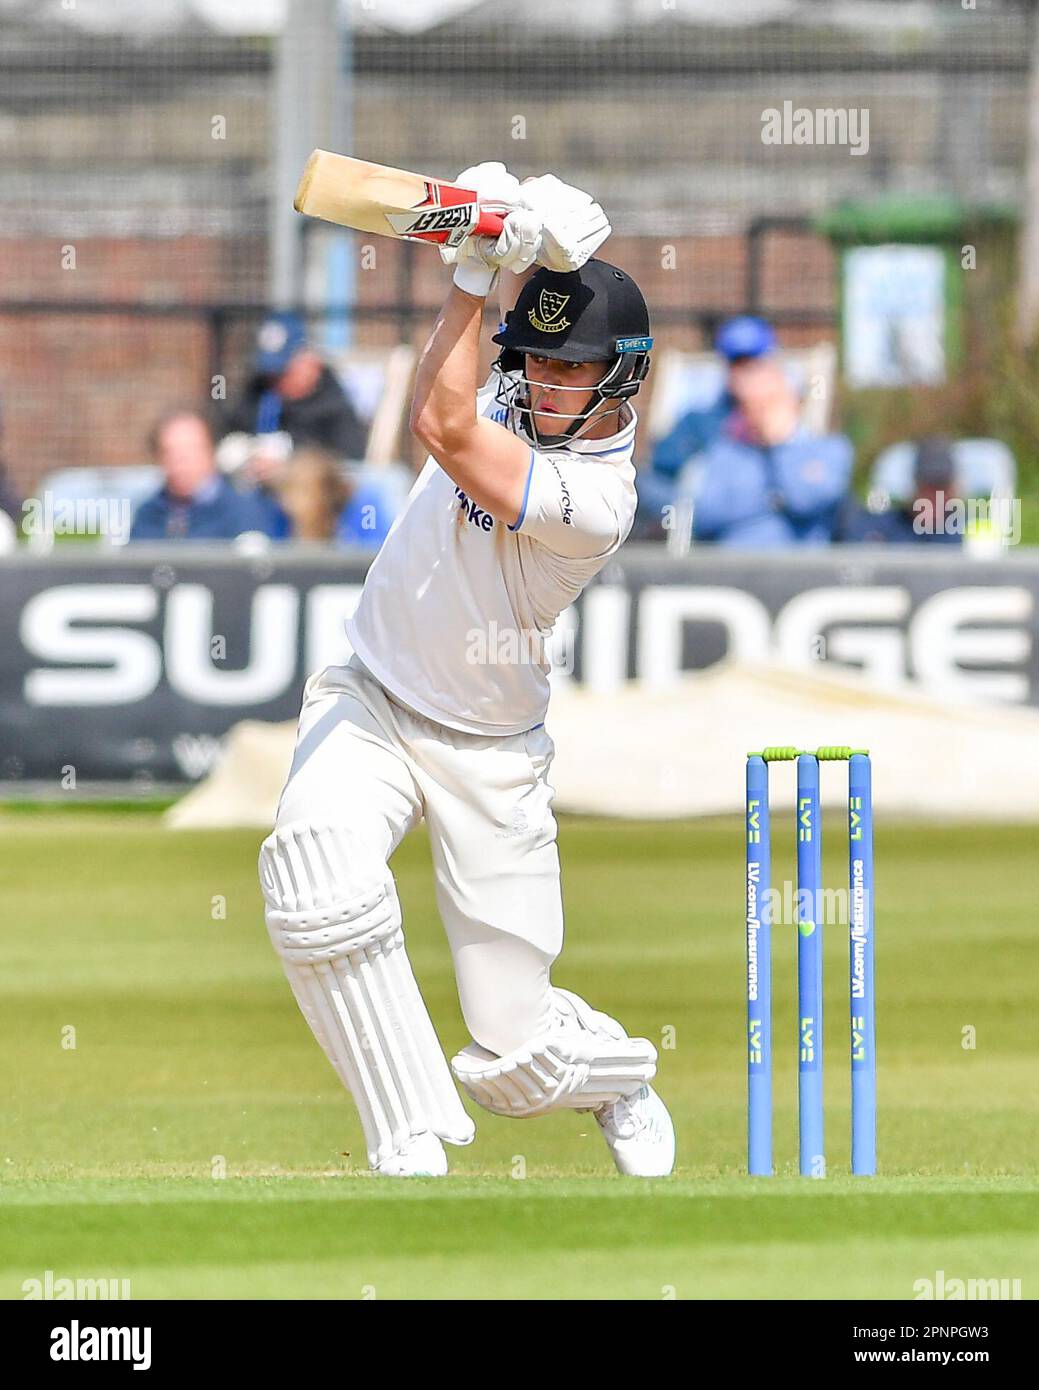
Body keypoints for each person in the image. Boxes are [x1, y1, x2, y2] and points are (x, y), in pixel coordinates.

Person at [258, 163, 675, 1179]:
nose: (541, 383)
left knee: (517, 1056)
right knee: (314, 873)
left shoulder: (596, 500)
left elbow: (442, 429)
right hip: (372, 694)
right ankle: (407, 1140)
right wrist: (496, 238)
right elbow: (459, 386)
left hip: (488, 750)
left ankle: (616, 1075)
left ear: (622, 377)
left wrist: (473, 271)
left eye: (570, 370)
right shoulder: (516, 387)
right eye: (532, 362)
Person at [679, 351, 853, 547]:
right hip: (730, 568)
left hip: (800, 571)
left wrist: (778, 446)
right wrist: (773, 500)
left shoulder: (829, 449)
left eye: (768, 401)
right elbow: (704, 515)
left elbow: (803, 501)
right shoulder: (725, 451)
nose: (759, 414)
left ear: (793, 400)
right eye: (750, 404)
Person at [634, 315, 777, 536]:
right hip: (690, 505)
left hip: (746, 516)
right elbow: (662, 461)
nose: (743, 374)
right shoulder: (699, 418)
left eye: (751, 364)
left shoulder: (782, 420)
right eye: (736, 363)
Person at [218, 311, 368, 478]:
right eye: (270, 372)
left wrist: (289, 467)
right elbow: (229, 434)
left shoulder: (333, 406)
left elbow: (350, 467)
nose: (274, 380)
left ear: (310, 362)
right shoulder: (258, 394)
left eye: (283, 371)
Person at [129, 409, 275, 541]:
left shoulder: (244, 513)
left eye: (190, 451)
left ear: (211, 452)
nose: (180, 463)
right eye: (169, 452)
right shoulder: (148, 514)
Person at [839, 436, 963, 546]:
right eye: (928, 487)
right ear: (915, 486)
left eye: (942, 487)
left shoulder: (967, 531)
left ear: (954, 489)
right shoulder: (881, 528)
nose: (936, 496)